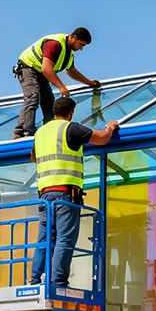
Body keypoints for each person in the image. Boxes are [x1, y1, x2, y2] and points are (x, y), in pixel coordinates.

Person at [30, 96, 119, 287]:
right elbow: (102, 139)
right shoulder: (71, 128)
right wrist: (110, 127)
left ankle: (34, 280)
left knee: (45, 239)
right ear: (71, 112)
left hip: (44, 195)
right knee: (64, 239)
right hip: (65, 194)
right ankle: (58, 281)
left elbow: (33, 157)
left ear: (54, 111)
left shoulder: (41, 132)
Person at [11, 28, 101, 139]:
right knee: (33, 98)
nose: (81, 48)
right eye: (81, 44)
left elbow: (71, 71)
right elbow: (46, 68)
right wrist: (61, 87)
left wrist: (89, 82)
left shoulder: (69, 53)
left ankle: (48, 131)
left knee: (49, 102)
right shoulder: (54, 44)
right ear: (74, 37)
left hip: (41, 74)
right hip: (28, 68)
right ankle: (25, 133)